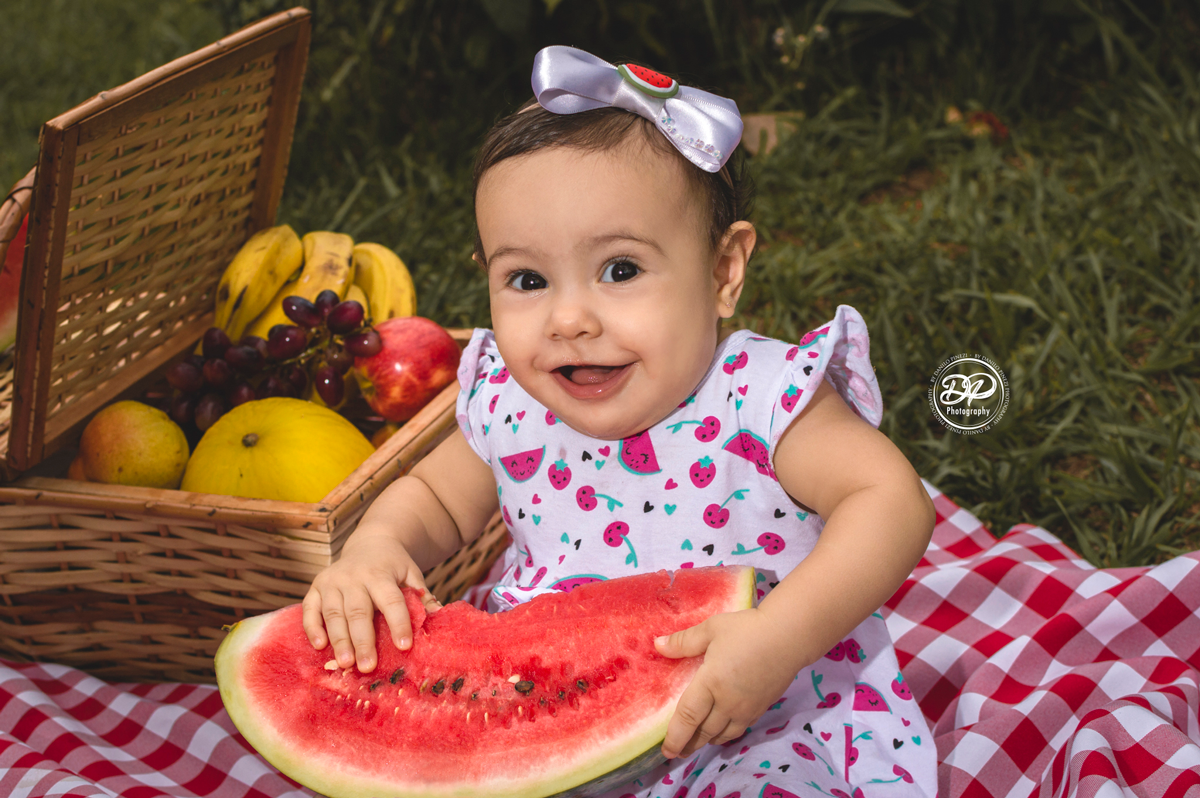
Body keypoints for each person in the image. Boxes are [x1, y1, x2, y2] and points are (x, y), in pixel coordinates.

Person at [303, 45, 937, 796]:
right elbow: (437, 501)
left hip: (765, 716)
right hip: (538, 711)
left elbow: (891, 502)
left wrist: (777, 640)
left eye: (621, 270)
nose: (570, 320)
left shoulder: (762, 396)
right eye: (528, 280)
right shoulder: (511, 400)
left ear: (722, 271)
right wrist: (376, 547)